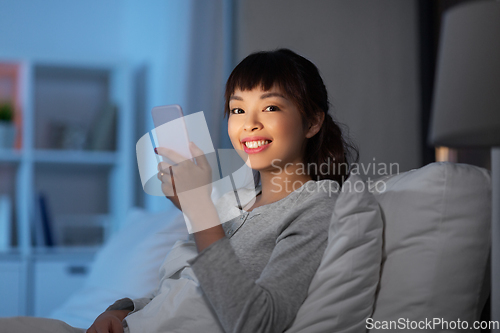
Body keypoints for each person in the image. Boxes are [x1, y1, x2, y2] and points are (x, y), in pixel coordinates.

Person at [0, 49, 357, 333]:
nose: (249, 123)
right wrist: (121, 309)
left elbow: (256, 322)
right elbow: (185, 288)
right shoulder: (236, 202)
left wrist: (199, 208)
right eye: (236, 108)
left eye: (271, 106)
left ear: (312, 122)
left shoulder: (315, 207)